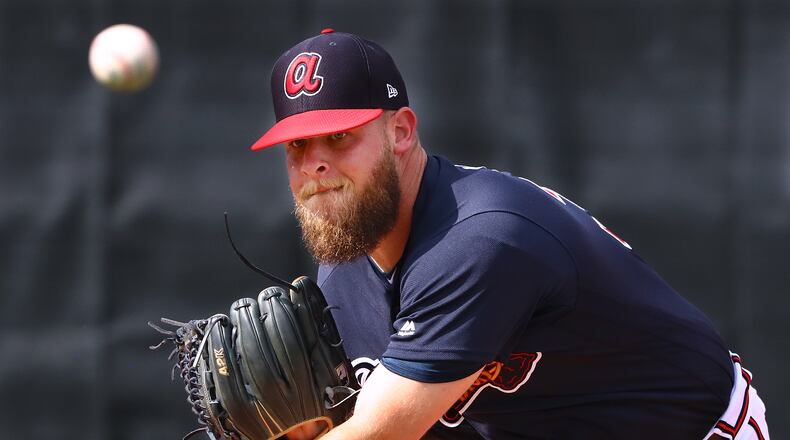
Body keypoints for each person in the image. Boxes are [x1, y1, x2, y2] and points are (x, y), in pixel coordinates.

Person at [249, 29, 770, 440]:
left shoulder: (477, 240)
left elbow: (381, 432)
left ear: (401, 132)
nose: (314, 164)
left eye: (339, 137)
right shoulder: (341, 276)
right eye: (296, 147)